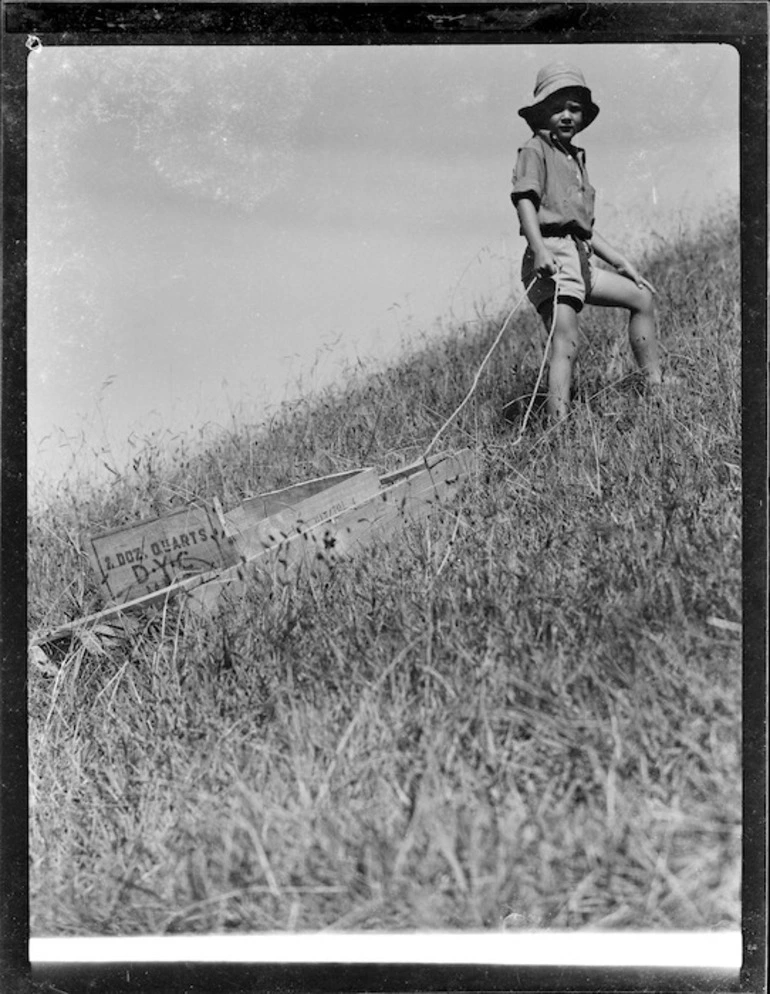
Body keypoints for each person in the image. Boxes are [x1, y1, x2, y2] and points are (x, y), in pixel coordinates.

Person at [511, 62, 665, 421]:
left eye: (574, 109)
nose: (566, 116)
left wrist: (620, 261)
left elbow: (582, 228)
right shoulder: (534, 150)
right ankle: (558, 425)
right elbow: (525, 201)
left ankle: (655, 384)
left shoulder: (576, 158)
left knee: (641, 297)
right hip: (553, 254)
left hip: (580, 257)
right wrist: (539, 249)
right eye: (557, 108)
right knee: (566, 342)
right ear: (541, 113)